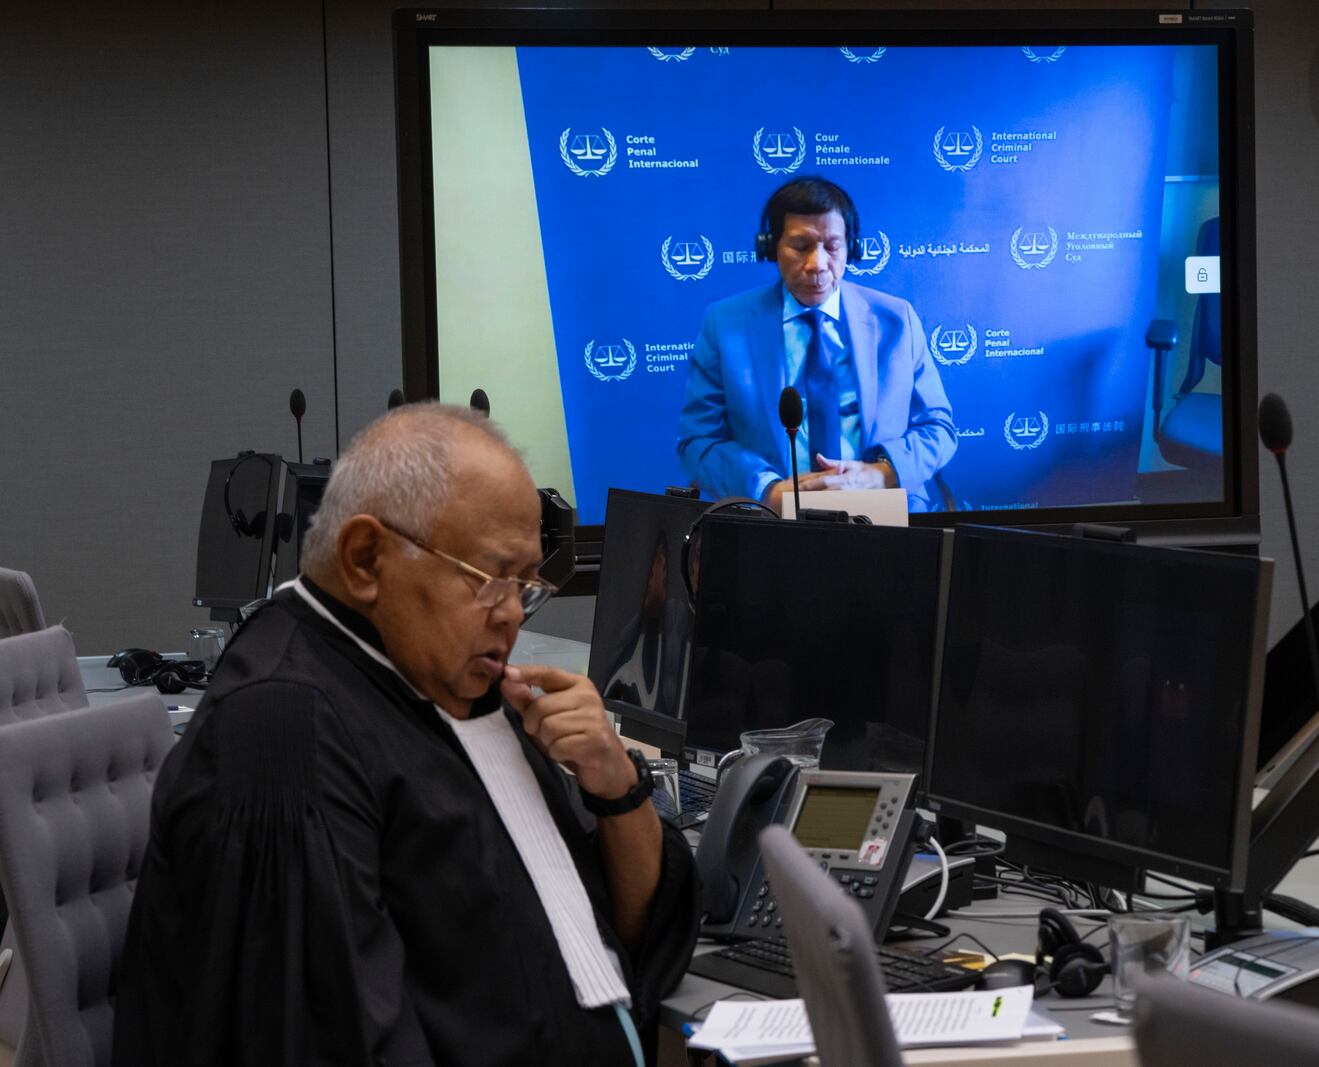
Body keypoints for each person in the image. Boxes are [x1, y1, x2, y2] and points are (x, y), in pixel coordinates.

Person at [115, 405, 698, 1067]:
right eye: (486, 580)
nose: (510, 613)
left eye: (525, 583)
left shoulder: (455, 678)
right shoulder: (285, 730)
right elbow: (324, 1038)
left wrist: (617, 786)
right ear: (366, 558)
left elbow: (625, 931)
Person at [677, 177, 957, 512]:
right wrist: (767, 491)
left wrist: (882, 475)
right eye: (800, 246)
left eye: (832, 246)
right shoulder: (724, 325)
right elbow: (698, 441)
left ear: (851, 248)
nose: (817, 265)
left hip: (885, 515)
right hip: (771, 521)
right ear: (770, 247)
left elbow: (938, 428)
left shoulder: (897, 321)